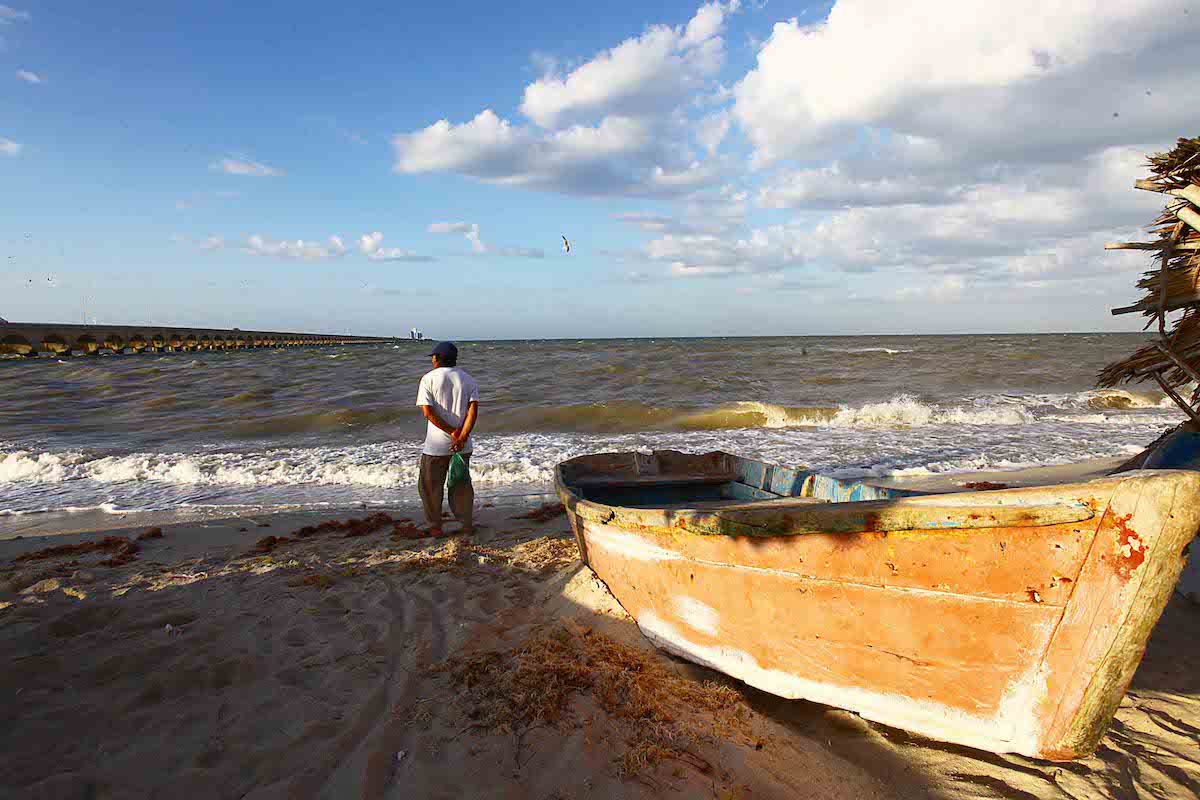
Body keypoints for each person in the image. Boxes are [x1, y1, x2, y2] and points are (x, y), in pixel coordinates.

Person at [416, 341, 479, 536]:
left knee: (430, 487)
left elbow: (428, 412)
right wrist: (462, 436)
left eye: (433, 358)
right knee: (461, 486)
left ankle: (435, 526)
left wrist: (452, 432)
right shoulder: (468, 380)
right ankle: (466, 524)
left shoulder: (428, 379)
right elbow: (472, 412)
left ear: (437, 359)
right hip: (462, 445)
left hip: (436, 447)